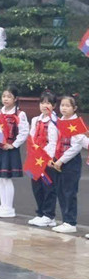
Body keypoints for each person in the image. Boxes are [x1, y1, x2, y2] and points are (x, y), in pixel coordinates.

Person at [0, 86, 29, 219]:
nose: (6, 99)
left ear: (15, 99)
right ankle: (3, 205)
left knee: (7, 178)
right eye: (4, 96)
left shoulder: (19, 114)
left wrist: (13, 145)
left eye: (9, 96)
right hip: (0, 147)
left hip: (10, 149)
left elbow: (24, 132)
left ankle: (9, 207)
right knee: (0, 178)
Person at [52, 96, 86, 235]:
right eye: (62, 105)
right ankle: (65, 220)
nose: (64, 108)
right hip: (58, 159)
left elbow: (76, 146)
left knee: (69, 192)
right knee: (60, 190)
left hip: (70, 161)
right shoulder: (60, 121)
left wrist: (62, 160)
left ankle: (71, 222)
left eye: (67, 106)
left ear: (74, 108)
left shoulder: (76, 123)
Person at [27, 91, 60, 229]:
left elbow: (53, 142)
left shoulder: (54, 122)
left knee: (48, 187)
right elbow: (31, 138)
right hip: (35, 159)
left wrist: (47, 158)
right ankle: (40, 212)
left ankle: (48, 215)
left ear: (53, 106)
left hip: (46, 161)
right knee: (36, 186)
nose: (44, 105)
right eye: (42, 102)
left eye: (48, 103)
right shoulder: (35, 120)